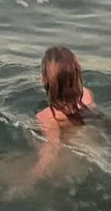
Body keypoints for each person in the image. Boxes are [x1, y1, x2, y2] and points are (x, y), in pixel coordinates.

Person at [31, 45, 96, 181]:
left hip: (71, 160)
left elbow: (51, 150)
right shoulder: (87, 94)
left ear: (43, 78)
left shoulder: (47, 116)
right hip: (93, 147)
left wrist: (28, 181)